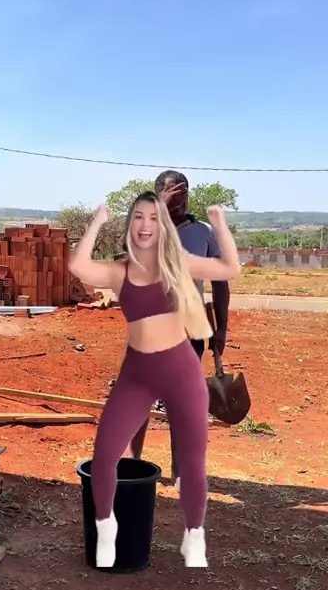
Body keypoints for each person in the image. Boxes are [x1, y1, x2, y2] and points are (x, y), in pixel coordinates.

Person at [69, 189, 240, 568]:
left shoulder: (178, 264)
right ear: (130, 224)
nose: (145, 225)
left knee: (192, 462)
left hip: (181, 371)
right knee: (105, 454)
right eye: (138, 217)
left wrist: (220, 225)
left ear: (163, 227)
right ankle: (106, 527)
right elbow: (79, 266)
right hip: (137, 374)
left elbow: (230, 269)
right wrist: (97, 221)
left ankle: (194, 533)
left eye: (153, 218)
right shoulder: (120, 271)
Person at [130, 171, 230, 484]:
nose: (180, 200)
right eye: (172, 194)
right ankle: (133, 466)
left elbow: (220, 280)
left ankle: (179, 471)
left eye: (184, 193)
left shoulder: (203, 232)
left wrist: (222, 327)